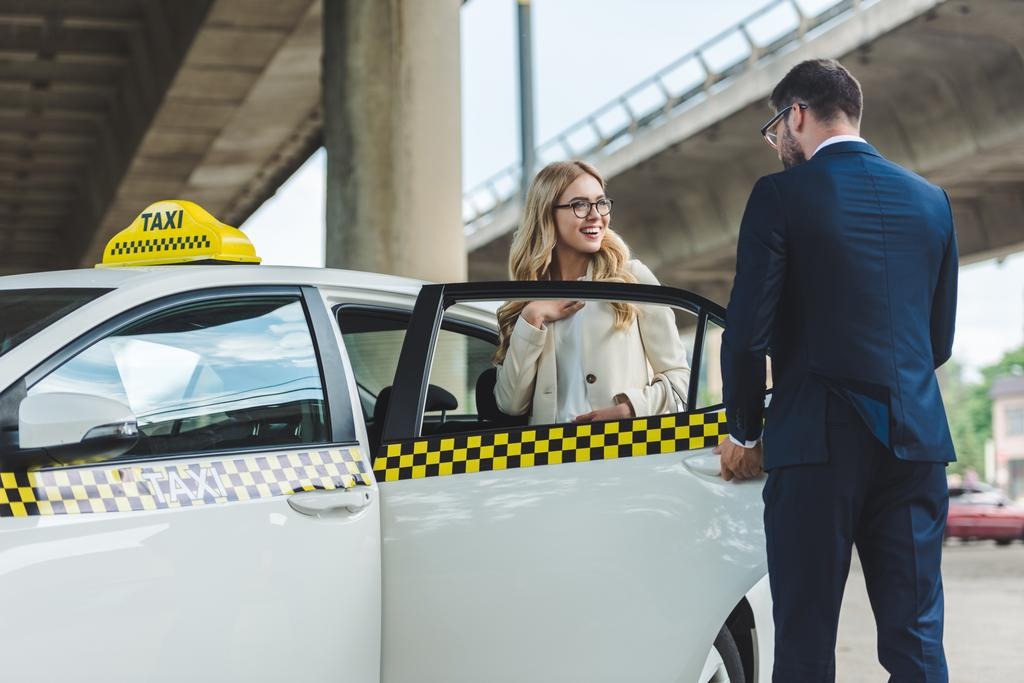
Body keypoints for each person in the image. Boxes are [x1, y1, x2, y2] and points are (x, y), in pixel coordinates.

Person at [715, 59, 958, 682]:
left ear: (796, 114)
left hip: (816, 443)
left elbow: (747, 334)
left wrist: (743, 431)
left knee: (805, 637)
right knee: (917, 640)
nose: (778, 144)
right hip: (916, 441)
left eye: (776, 129)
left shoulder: (780, 196)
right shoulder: (932, 202)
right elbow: (936, 340)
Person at [493, 161, 689, 425]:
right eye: (580, 205)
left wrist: (629, 409)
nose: (596, 215)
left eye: (600, 203)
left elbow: (680, 379)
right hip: (547, 459)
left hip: (622, 453)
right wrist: (532, 316)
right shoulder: (526, 299)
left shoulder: (632, 280)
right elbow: (510, 404)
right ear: (547, 214)